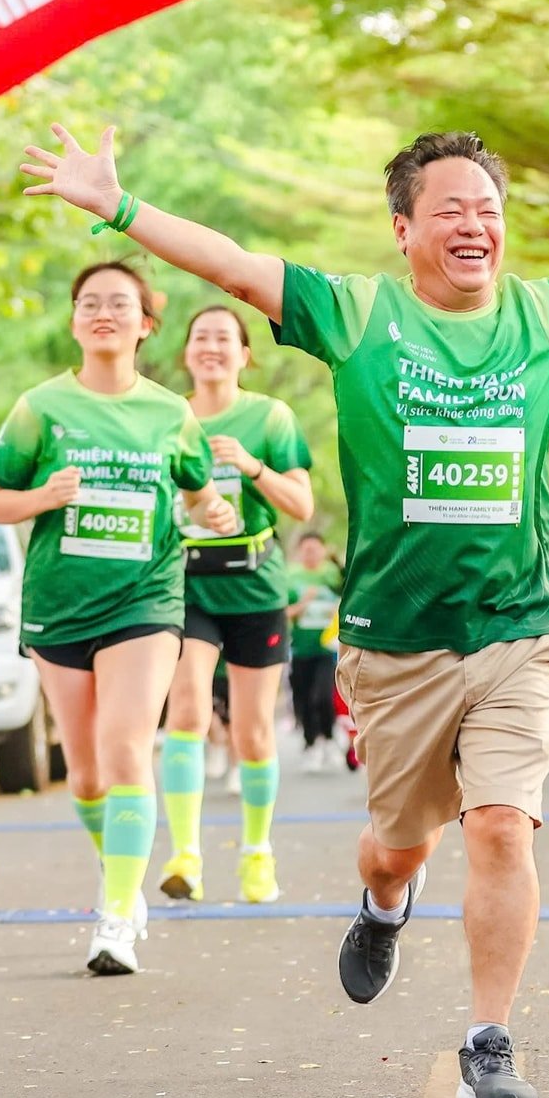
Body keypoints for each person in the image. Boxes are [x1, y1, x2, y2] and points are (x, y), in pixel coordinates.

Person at [19, 118, 549, 1098]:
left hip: (516, 630)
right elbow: (232, 264)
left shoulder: (548, 315)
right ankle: (383, 901)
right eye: (450, 210)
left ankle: (489, 1039)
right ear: (404, 227)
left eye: (489, 209)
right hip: (395, 646)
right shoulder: (357, 315)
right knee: (400, 843)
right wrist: (119, 208)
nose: (474, 224)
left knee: (498, 826)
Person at [0, 261, 238, 976]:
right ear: (74, 320)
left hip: (145, 600)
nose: (104, 312)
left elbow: (195, 496)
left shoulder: (169, 412)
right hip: (61, 603)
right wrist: (44, 496)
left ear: (145, 323)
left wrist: (211, 510)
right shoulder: (40, 407)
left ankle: (116, 915)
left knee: (128, 749)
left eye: (119, 303)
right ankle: (118, 871)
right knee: (88, 773)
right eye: (90, 302)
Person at [159, 305, 315, 906]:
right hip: (186, 582)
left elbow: (300, 504)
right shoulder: (167, 417)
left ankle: (257, 852)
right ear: (187, 353)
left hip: (253, 584)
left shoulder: (270, 416)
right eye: (201, 337)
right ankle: (185, 855)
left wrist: (250, 467)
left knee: (252, 732)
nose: (212, 347)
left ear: (246, 354)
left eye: (225, 338)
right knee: (189, 710)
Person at [286, 531, 345, 770]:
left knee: (322, 696)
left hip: (327, 649)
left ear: (323, 550)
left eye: (315, 548)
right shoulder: (292, 578)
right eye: (306, 549)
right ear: (300, 552)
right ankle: (311, 744)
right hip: (300, 649)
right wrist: (304, 603)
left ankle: (329, 739)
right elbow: (284, 612)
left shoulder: (332, 576)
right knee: (304, 700)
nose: (311, 553)